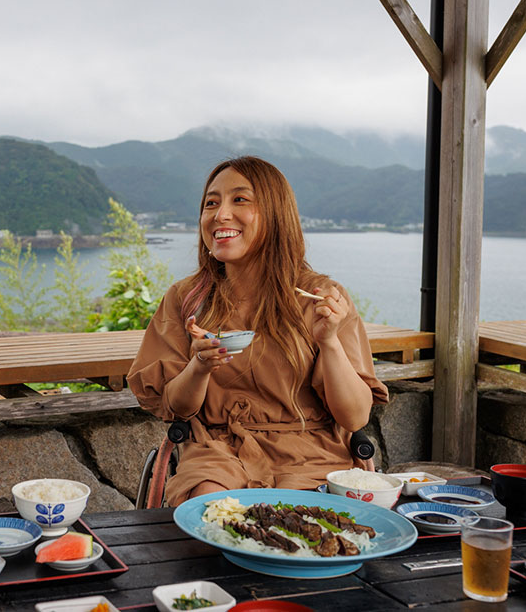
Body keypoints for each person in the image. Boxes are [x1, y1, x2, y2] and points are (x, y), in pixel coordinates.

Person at [128, 156, 387, 506]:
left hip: (311, 457)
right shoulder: (187, 299)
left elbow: (355, 417)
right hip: (217, 455)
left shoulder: (320, 297)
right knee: (211, 510)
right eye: (211, 203)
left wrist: (329, 342)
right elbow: (177, 408)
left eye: (240, 200)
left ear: (275, 214)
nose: (220, 215)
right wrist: (200, 367)